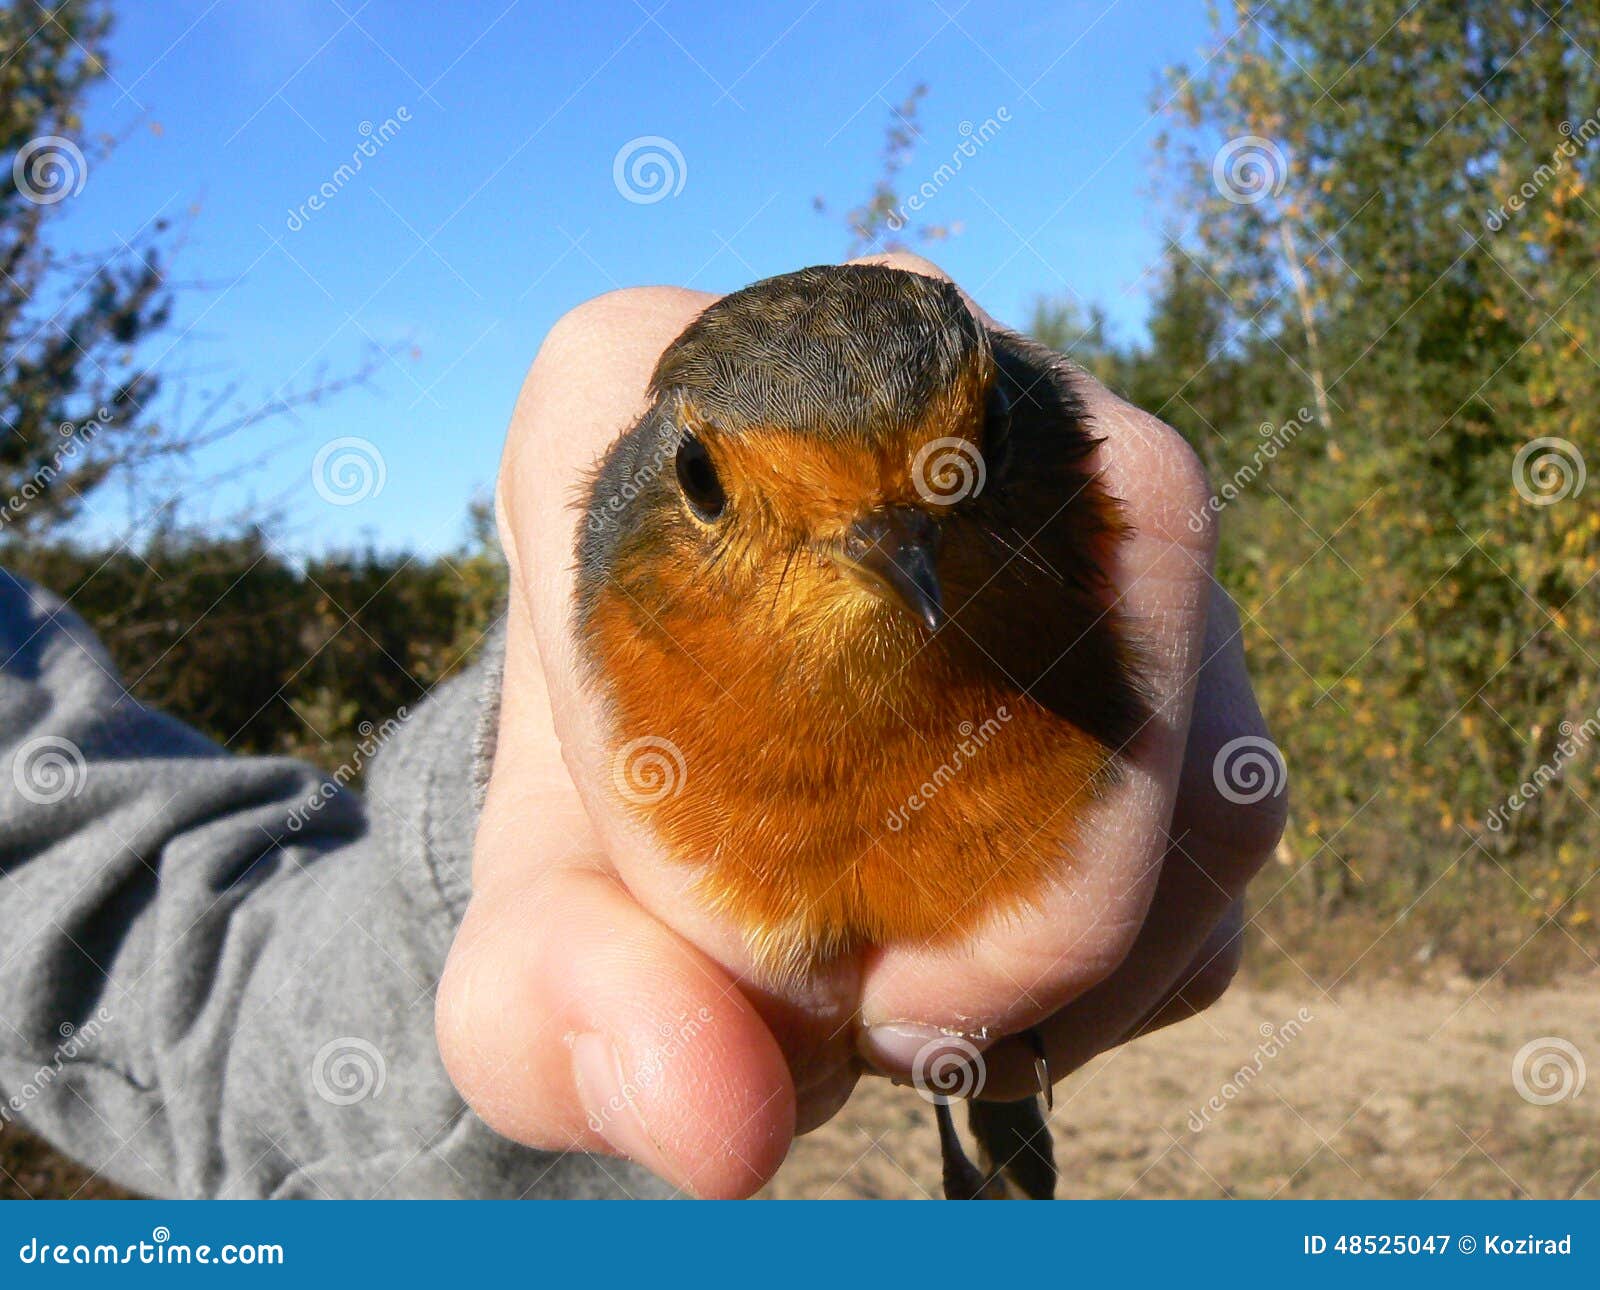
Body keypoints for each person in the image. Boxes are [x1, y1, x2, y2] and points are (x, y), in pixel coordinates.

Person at [0, 255, 1286, 1200]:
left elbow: (151, 944)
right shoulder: (662, 608)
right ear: (678, 477)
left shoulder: (1054, 525)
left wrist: (513, 813)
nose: (902, 550)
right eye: (720, 487)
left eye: (969, 452)